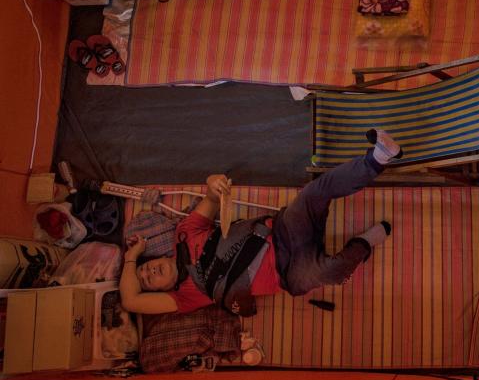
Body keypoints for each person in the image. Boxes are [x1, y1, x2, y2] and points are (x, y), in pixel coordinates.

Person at [120, 129, 403, 315]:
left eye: (145, 269)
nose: (149, 272)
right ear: (161, 292)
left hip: (280, 232)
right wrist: (132, 258)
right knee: (332, 272)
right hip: (288, 274)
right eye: (149, 281)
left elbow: (211, 196)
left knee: (313, 193)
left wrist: (213, 183)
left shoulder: (185, 233)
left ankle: (378, 158)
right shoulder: (185, 297)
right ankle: (363, 243)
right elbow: (130, 301)